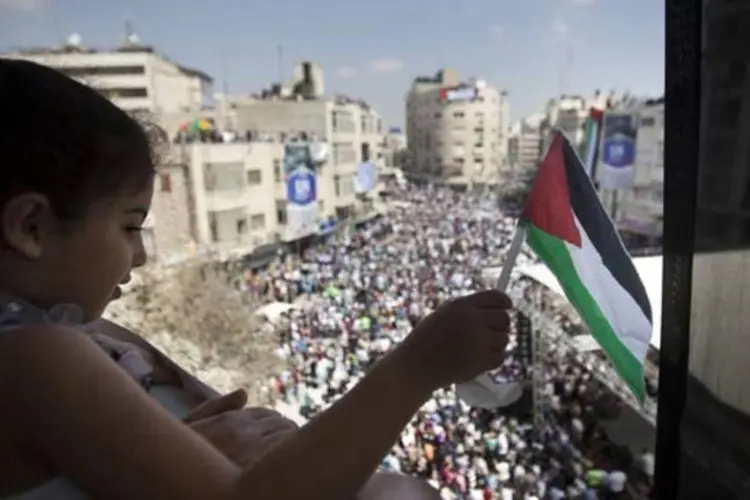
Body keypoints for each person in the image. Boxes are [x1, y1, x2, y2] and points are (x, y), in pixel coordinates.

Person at [0, 59, 513, 499]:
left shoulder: (66, 339)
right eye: (129, 226)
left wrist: (177, 452)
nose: (138, 256)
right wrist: (418, 366)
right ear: (31, 227)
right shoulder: (34, 354)